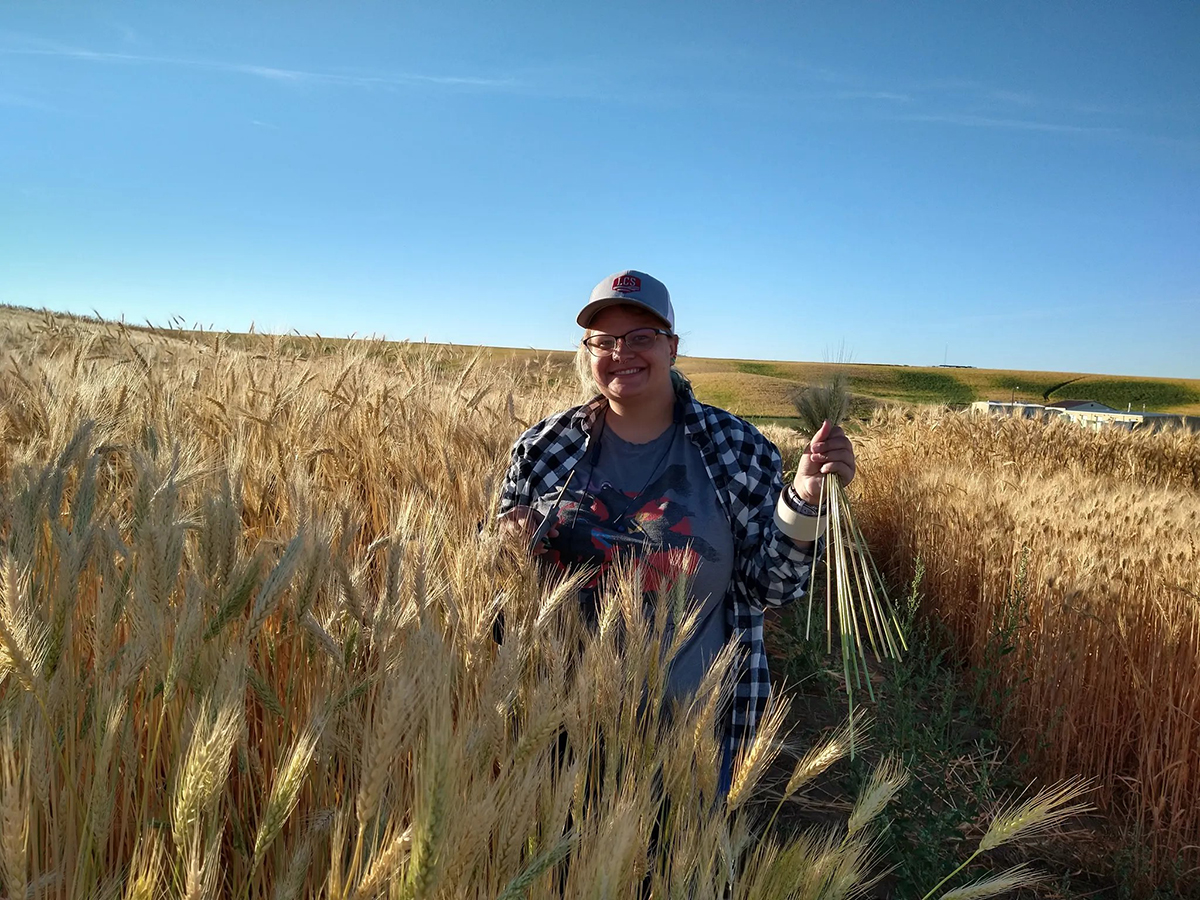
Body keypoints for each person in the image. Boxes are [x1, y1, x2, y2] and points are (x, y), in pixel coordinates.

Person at [497, 269, 856, 794]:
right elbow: (499, 591)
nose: (622, 352)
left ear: (672, 346)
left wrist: (804, 498)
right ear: (586, 350)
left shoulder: (737, 448)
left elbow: (773, 584)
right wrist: (504, 546)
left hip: (697, 737)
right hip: (561, 734)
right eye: (605, 340)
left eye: (642, 337)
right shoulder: (543, 450)